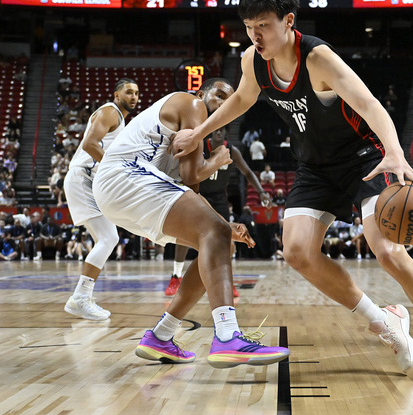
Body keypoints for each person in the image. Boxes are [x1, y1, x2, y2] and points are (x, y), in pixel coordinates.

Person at [170, 0, 413, 385]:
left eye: (263, 25)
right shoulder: (253, 60)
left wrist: (394, 152)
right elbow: (243, 98)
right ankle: (383, 320)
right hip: (315, 166)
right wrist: (199, 132)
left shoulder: (317, 57)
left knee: (388, 251)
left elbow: (369, 103)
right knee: (297, 251)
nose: (255, 36)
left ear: (289, 21)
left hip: (364, 158)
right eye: (248, 27)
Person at [93, 77, 290, 369]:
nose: (224, 104)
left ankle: (161, 336)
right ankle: (227, 336)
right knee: (216, 233)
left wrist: (225, 227)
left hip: (119, 192)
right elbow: (192, 175)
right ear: (201, 93)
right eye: (219, 95)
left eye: (230, 101)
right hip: (125, 176)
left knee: (219, 242)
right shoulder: (192, 104)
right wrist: (219, 160)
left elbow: (192, 192)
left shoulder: (196, 133)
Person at [63, 78, 140, 321]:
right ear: (117, 95)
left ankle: (82, 295)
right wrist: (114, 169)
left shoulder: (122, 121)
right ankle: (80, 298)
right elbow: (89, 144)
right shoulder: (110, 111)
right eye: (129, 92)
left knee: (107, 238)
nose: (134, 96)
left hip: (92, 179)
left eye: (136, 93)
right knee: (109, 238)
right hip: (83, 176)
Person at [165, 123, 270, 297]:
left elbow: (248, 172)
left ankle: (227, 280)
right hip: (199, 195)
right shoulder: (200, 147)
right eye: (216, 129)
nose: (219, 132)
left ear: (227, 132)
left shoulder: (232, 151)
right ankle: (176, 276)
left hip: (220, 199)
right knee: (183, 237)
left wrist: (261, 191)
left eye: (222, 129)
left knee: (226, 239)